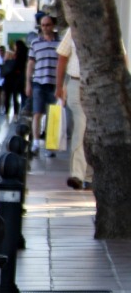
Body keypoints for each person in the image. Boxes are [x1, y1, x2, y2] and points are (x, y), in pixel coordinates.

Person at [55, 28, 91, 190]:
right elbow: (62, 57)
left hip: (100, 85)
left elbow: (121, 55)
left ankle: (88, 175)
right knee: (81, 127)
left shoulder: (106, 24)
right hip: (76, 83)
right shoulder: (75, 27)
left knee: (93, 131)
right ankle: (78, 174)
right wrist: (59, 86)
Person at [27, 14, 61, 155]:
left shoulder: (60, 43)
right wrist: (28, 83)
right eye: (43, 25)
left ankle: (51, 146)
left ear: (53, 26)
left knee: (53, 115)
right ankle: (35, 142)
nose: (45, 28)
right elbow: (30, 64)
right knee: (37, 113)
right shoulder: (35, 43)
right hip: (39, 82)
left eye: (48, 25)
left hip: (54, 83)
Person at [4, 39, 29, 119]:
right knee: (21, 97)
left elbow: (8, 66)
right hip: (23, 79)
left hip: (14, 79)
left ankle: (8, 113)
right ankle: (19, 114)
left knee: (10, 97)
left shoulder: (16, 56)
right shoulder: (26, 54)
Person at [0, 45, 9, 115]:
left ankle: (3, 108)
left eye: (2, 51)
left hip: (4, 79)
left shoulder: (7, 59)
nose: (1, 52)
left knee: (4, 94)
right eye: (0, 51)